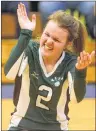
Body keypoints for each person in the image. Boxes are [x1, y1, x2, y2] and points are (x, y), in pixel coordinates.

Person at [4, 3, 95, 131]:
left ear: (67, 44)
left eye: (57, 40)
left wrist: (80, 72)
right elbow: (9, 74)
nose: (49, 41)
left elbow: (76, 98)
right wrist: (25, 33)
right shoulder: (30, 49)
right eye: (46, 34)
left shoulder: (70, 62)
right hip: (21, 126)